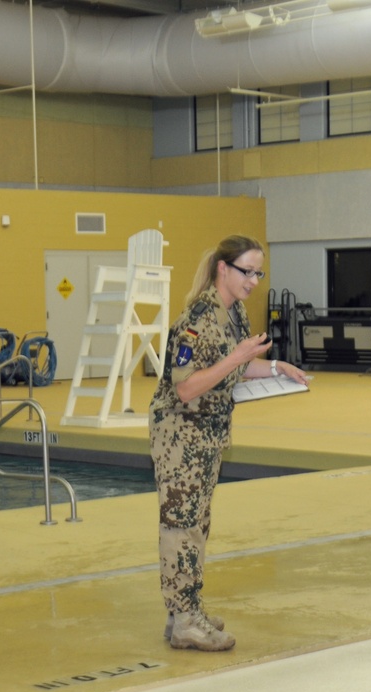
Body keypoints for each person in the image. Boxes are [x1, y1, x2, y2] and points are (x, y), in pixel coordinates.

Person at [149, 235, 309, 651]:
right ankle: (184, 617)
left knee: (198, 524)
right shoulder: (197, 319)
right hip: (180, 435)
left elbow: (235, 365)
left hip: (208, 433)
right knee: (182, 525)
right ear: (224, 268)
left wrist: (276, 366)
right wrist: (237, 359)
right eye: (247, 272)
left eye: (259, 273)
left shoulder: (232, 311)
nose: (254, 281)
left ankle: (184, 610)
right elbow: (185, 388)